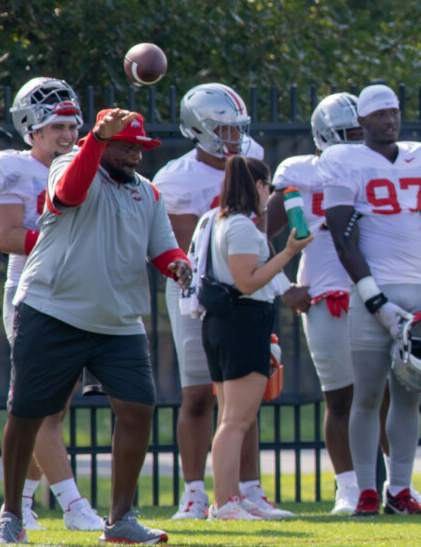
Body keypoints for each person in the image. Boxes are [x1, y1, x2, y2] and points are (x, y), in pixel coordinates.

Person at [0, 108, 191, 545]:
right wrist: (95, 139)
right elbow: (70, 194)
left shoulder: (148, 193)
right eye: (125, 145)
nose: (134, 155)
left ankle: (120, 521)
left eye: (138, 147)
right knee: (26, 413)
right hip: (51, 310)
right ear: (101, 142)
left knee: (138, 409)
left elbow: (164, 249)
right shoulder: (68, 166)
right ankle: (11, 517)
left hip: (118, 320)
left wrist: (180, 267)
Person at [155, 83, 289, 520]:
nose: (233, 137)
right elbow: (184, 252)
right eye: (222, 129)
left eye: (237, 128)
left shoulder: (250, 157)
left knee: (243, 394)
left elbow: (258, 237)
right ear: (199, 129)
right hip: (203, 291)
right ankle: (195, 491)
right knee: (198, 394)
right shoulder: (176, 178)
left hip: (245, 288)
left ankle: (246, 489)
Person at [320, 84, 421, 516]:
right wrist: (375, 301)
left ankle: (400, 489)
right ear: (361, 123)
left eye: (393, 112)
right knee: (368, 395)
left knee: (409, 395)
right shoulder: (343, 160)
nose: (389, 120)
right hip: (373, 292)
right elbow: (343, 239)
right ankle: (365, 490)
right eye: (379, 114)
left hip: (417, 288)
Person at [0, 77, 104, 532]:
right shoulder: (12, 168)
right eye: (56, 128)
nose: (68, 136)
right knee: (43, 407)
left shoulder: (84, 167)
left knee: (54, 408)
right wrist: (65, 241)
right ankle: (74, 507)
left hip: (77, 293)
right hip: (32, 294)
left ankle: (23, 504)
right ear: (31, 130)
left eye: (72, 127)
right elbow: (6, 236)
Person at [265, 92, 364, 515]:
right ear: (325, 136)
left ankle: (392, 486)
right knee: (340, 397)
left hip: (376, 294)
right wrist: (281, 285)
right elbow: (257, 232)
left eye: (363, 133)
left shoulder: (380, 167)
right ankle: (347, 488)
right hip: (327, 295)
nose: (359, 142)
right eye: (350, 134)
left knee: (383, 397)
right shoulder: (300, 171)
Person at [202, 157, 311, 520]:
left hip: (229, 322)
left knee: (232, 419)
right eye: (268, 188)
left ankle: (231, 497)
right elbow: (247, 281)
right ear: (259, 186)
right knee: (236, 420)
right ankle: (224, 503)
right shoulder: (241, 227)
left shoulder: (225, 221)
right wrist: (289, 253)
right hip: (242, 321)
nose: (270, 195)